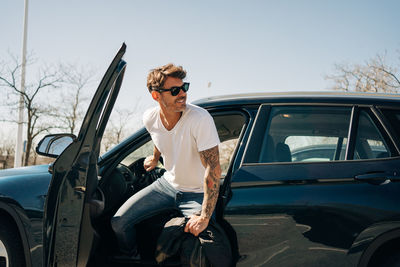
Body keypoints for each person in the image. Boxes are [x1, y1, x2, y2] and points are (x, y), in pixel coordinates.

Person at [111, 63, 221, 258]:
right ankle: (131, 257)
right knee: (119, 222)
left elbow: (213, 168)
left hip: (196, 193)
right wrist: (154, 159)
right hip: (166, 186)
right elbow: (159, 135)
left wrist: (204, 217)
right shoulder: (150, 118)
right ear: (156, 95)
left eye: (184, 87)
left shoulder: (199, 119)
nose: (183, 94)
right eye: (175, 90)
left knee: (206, 239)